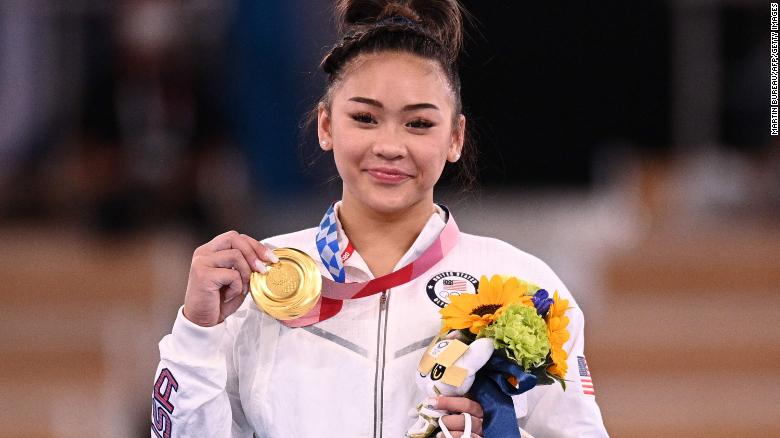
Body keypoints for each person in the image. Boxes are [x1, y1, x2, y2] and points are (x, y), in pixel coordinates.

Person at [151, 1, 608, 437]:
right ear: (326, 126)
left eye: (418, 124)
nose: (390, 146)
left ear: (455, 138)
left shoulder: (524, 286)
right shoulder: (258, 280)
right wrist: (197, 331)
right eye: (366, 118)